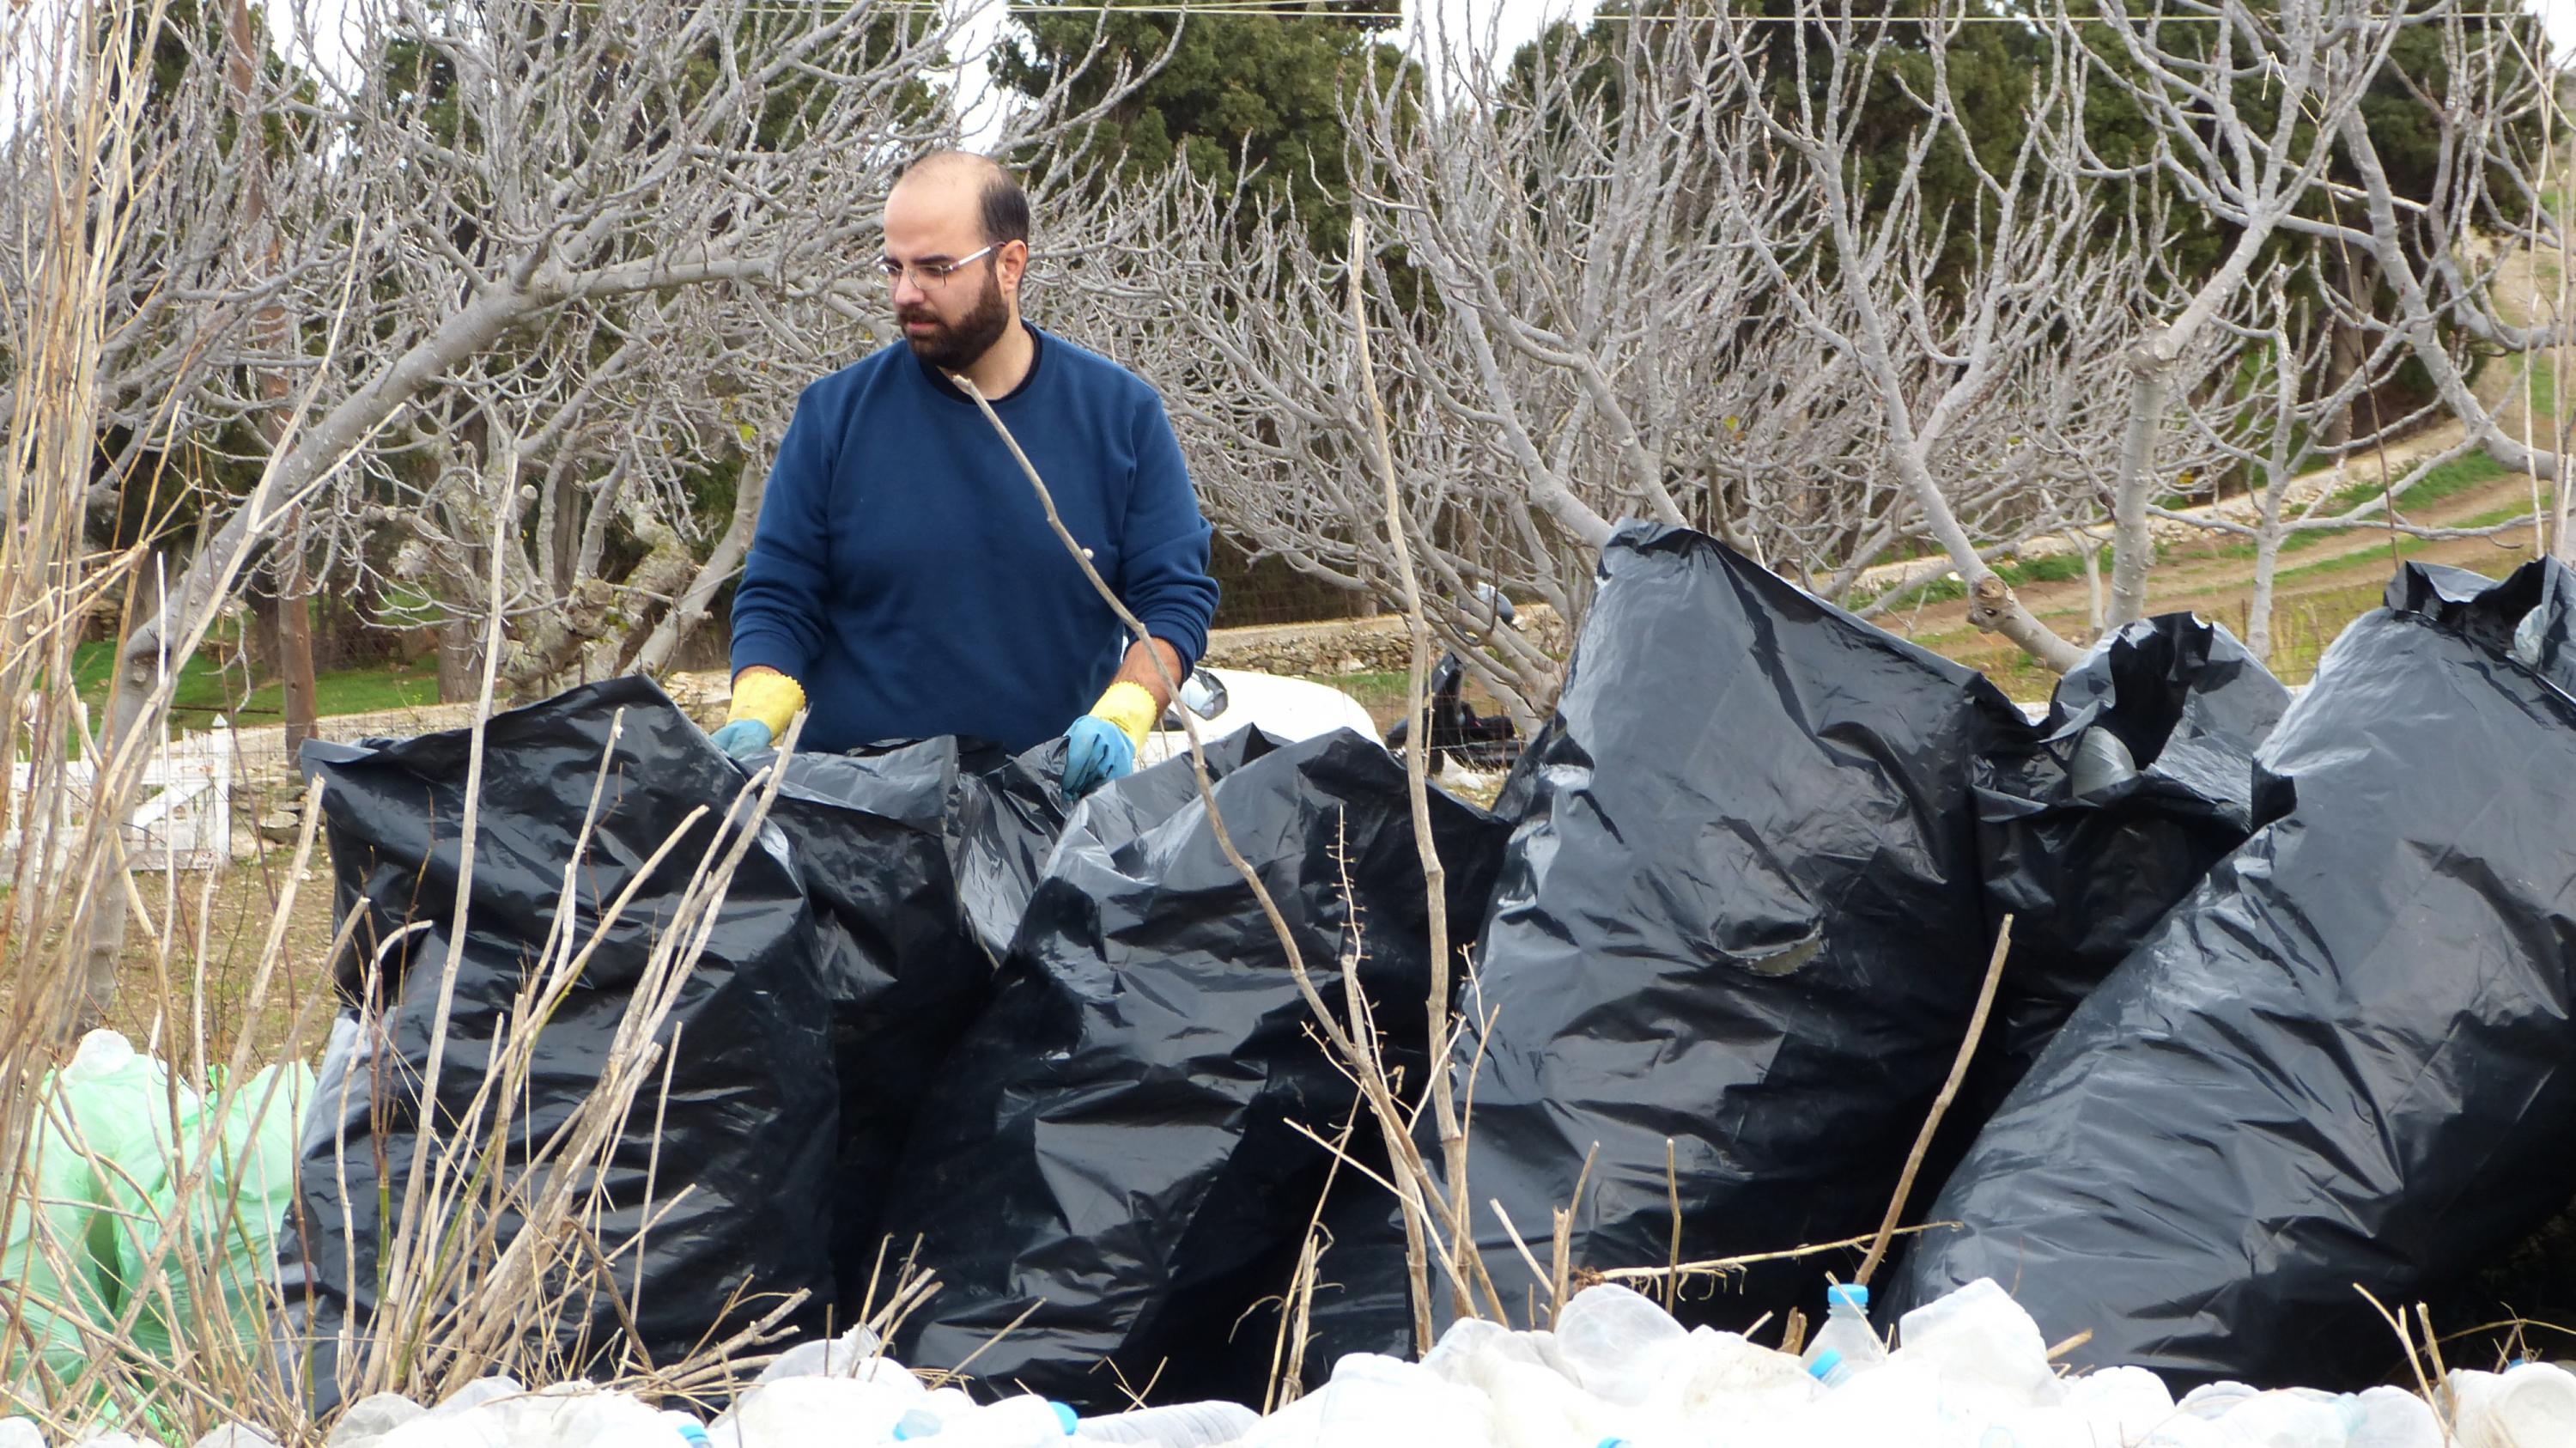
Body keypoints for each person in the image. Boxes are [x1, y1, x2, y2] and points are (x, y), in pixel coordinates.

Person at [715, 151, 1220, 799]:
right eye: (893, 267)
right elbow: (779, 596)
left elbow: (1172, 601)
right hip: (854, 817)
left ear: (1009, 265)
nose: (905, 293)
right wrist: (758, 700)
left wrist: (1128, 709)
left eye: (934, 269)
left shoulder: (1121, 417)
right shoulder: (833, 416)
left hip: (1045, 810)